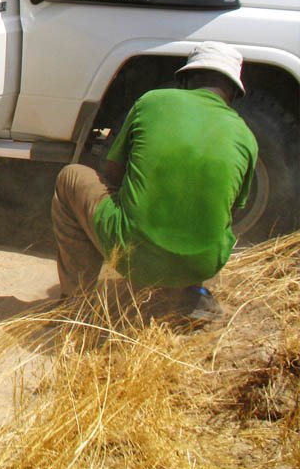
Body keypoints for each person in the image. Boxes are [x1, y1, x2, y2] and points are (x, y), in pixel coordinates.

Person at [51, 42, 258, 317]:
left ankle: (76, 304)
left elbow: (111, 173)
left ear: (184, 80)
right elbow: (232, 211)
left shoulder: (152, 101)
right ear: (232, 93)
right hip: (203, 264)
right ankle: (191, 295)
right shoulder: (246, 136)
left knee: (71, 177)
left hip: (133, 255)